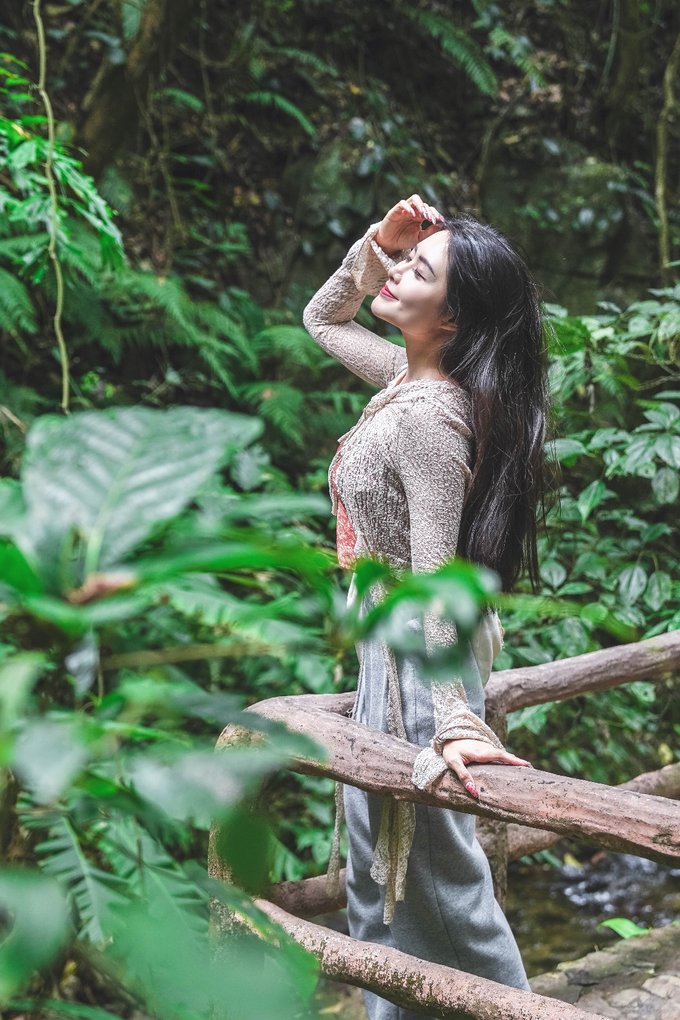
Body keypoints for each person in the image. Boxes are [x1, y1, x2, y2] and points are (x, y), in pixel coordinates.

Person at [303, 194, 548, 1018]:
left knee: (440, 885)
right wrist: (378, 242)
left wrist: (452, 719)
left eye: (420, 269)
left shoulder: (430, 419)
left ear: (452, 319)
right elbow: (322, 319)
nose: (400, 272)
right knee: (381, 882)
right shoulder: (405, 382)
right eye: (405, 262)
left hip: (422, 654)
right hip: (390, 646)